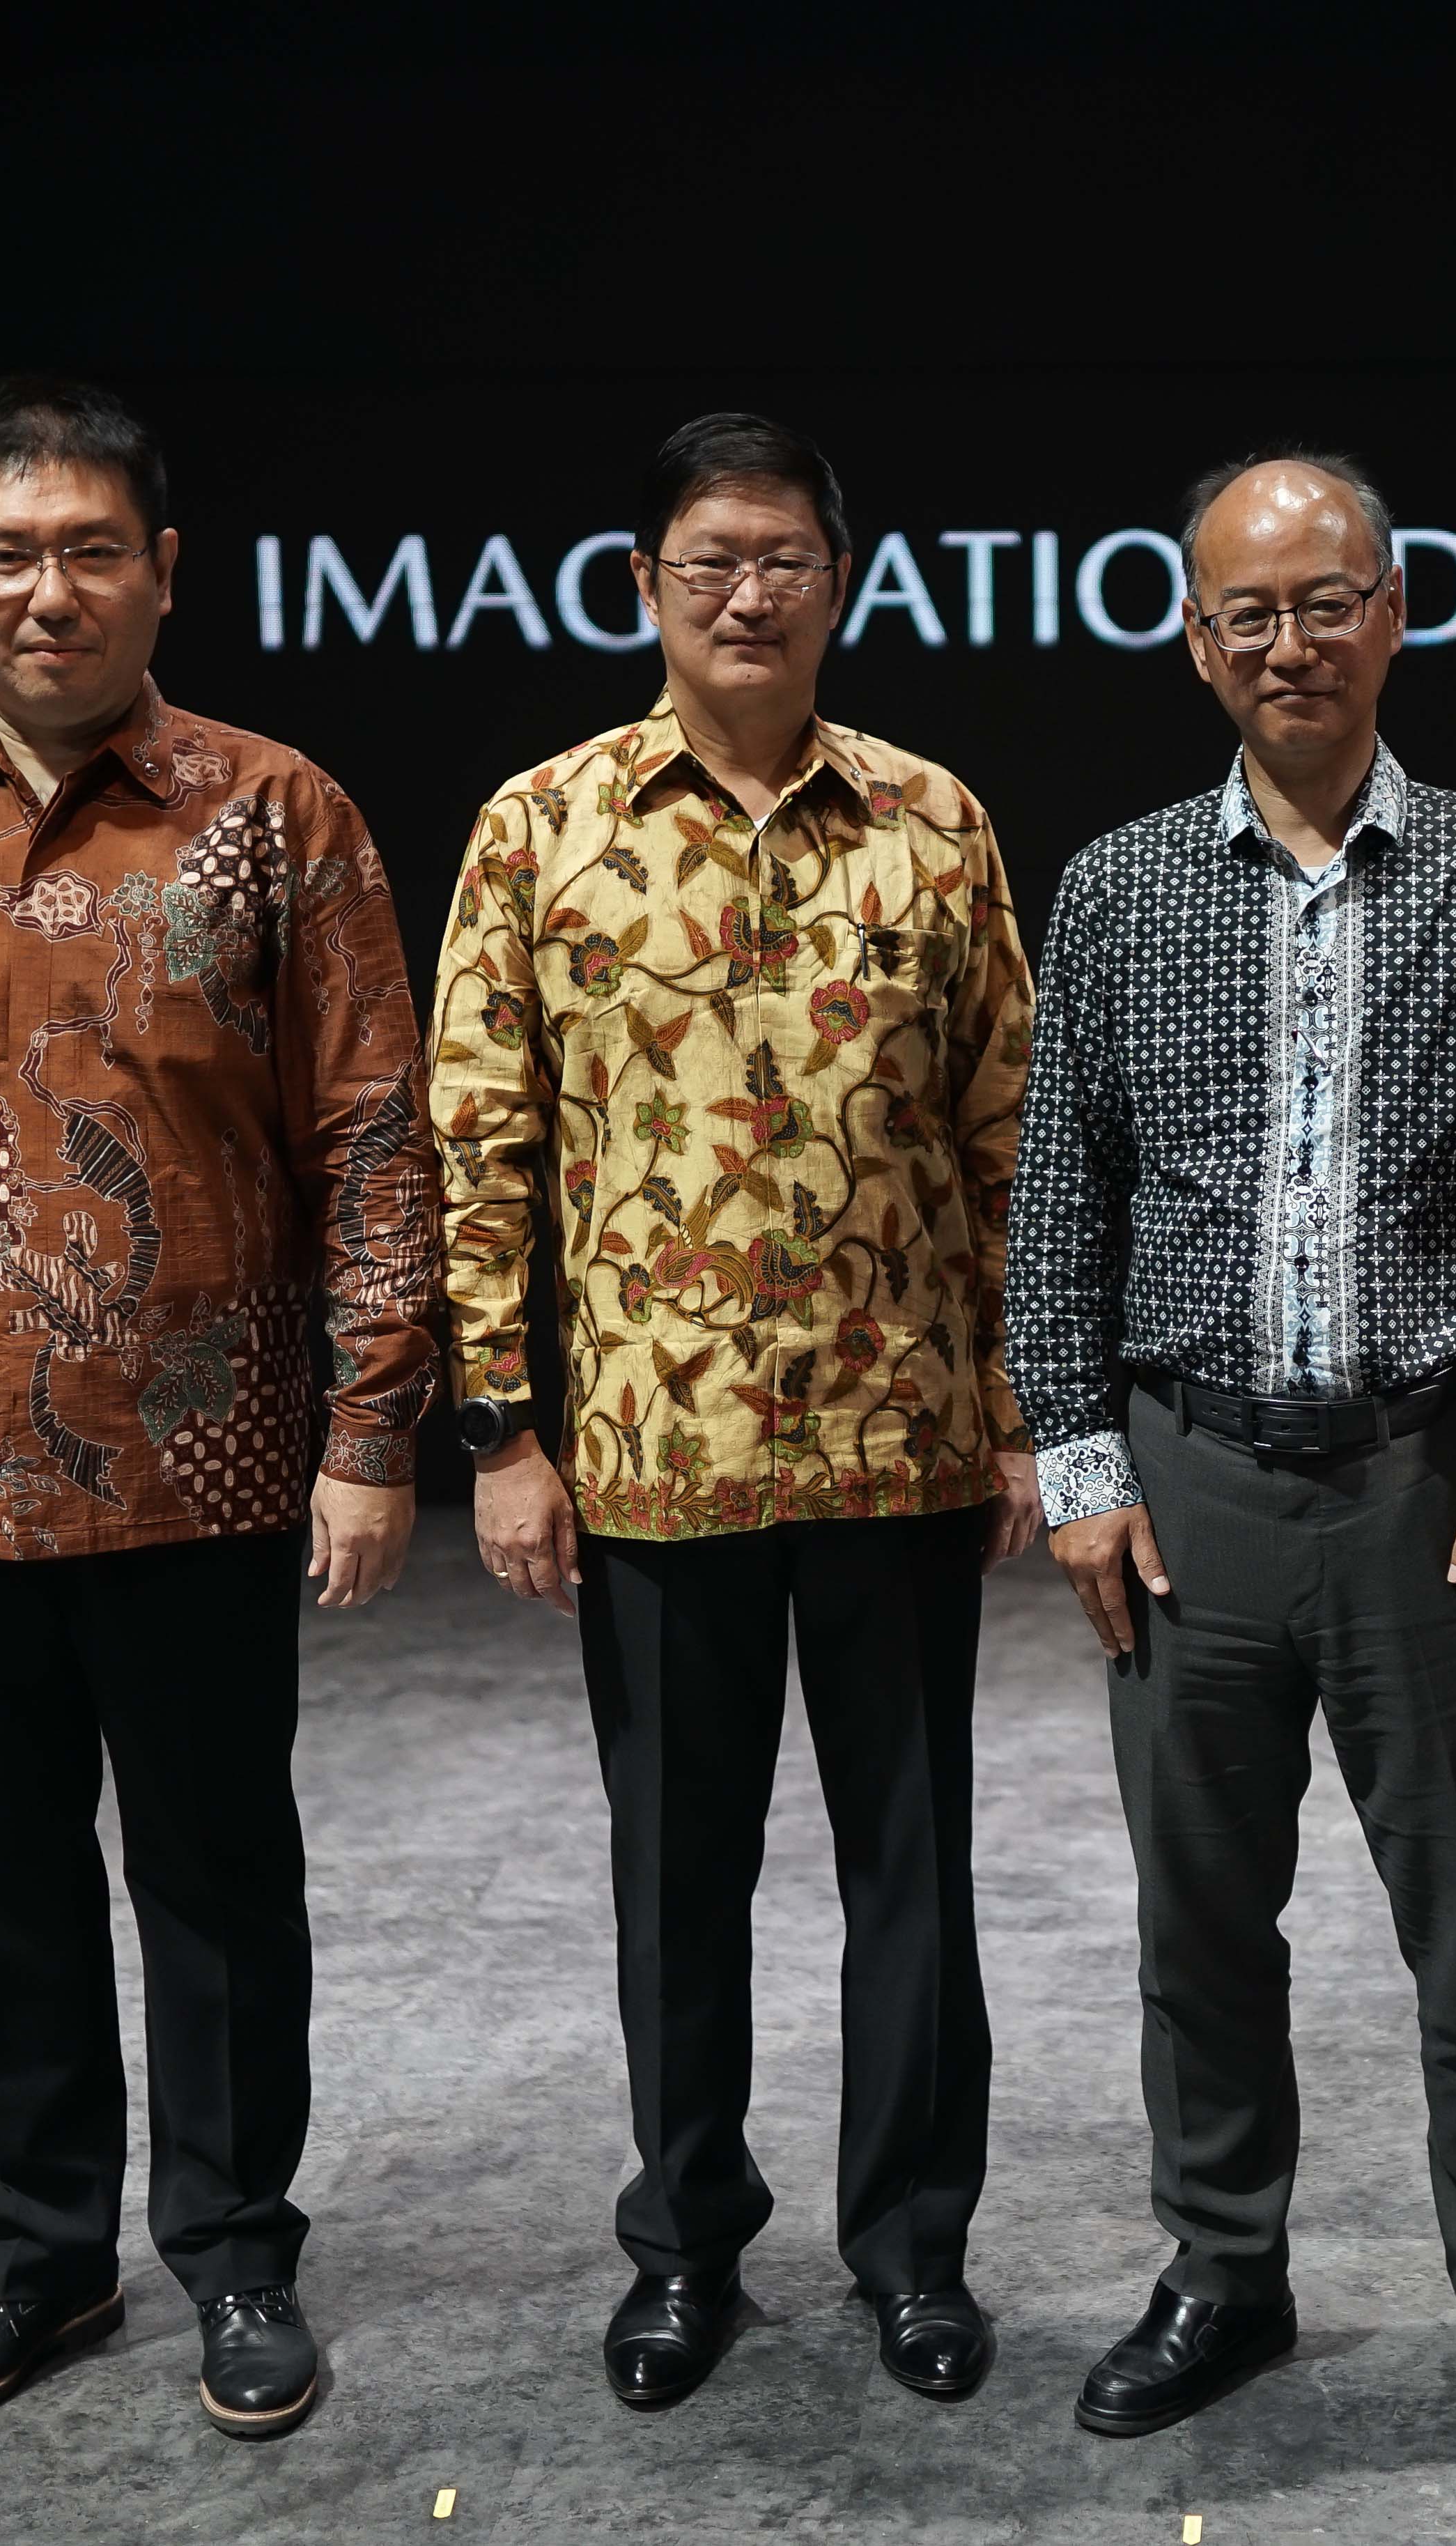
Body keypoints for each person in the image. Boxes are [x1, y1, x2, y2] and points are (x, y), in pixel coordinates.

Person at [0, 376, 439, 2440]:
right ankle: (35, 2265)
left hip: (208, 1459)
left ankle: (232, 2255)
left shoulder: (276, 812)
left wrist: (369, 1434)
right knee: (3, 1890)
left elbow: (373, 1139)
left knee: (219, 1886)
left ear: (165, 571)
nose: (53, 592)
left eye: (91, 550)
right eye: (9, 556)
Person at [1005, 450, 1456, 2470]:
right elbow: (1059, 1202)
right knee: (1199, 1917)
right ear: (1195, 642)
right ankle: (1220, 2269)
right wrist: (1078, 1462)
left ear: (1391, 613)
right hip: (1187, 1484)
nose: (1287, 640)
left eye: (1321, 599)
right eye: (1244, 612)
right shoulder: (1111, 886)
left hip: (1422, 1482)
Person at [432, 413, 1041, 2409]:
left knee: (913, 1877)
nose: (747, 592)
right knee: (675, 1883)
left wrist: (1032, 1417)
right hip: (649, 1460)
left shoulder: (931, 822)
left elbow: (1009, 1143)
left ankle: (911, 2252)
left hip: (901, 1444)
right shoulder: (545, 825)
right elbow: (479, 1146)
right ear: (644, 592)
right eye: (708, 561)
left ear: (839, 584)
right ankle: (684, 2246)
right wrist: (500, 1431)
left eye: (782, 557)